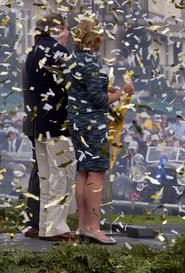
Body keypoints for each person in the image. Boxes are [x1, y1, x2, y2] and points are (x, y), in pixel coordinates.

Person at [67, 15, 134, 245]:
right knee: (96, 173)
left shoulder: (74, 60)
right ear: (94, 38)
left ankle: (83, 225)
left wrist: (107, 89)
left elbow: (86, 91)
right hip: (92, 125)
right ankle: (94, 227)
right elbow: (98, 100)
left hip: (77, 122)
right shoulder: (91, 63)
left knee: (83, 172)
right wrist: (123, 93)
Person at [25, 13, 76, 241]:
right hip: (58, 124)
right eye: (66, 29)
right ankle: (56, 227)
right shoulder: (58, 51)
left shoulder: (33, 51)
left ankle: (46, 225)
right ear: (58, 30)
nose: (68, 34)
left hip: (39, 123)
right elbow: (73, 84)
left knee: (46, 178)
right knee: (61, 176)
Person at [21, 57, 40, 238]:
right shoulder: (37, 59)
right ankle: (35, 221)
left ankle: (34, 219)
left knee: (39, 171)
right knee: (41, 171)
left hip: (34, 123)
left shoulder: (30, 57)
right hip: (41, 124)